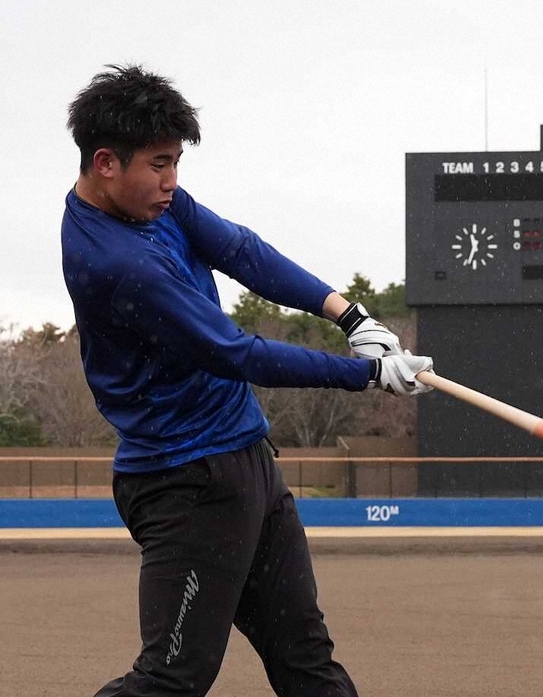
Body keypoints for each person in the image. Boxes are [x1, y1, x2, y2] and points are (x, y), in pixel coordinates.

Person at [62, 63, 434, 697]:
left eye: (176, 162)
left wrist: (350, 315)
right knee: (172, 679)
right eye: (158, 164)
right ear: (105, 163)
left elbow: (241, 251)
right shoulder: (119, 263)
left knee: (305, 657)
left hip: (244, 462)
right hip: (185, 481)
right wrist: (367, 373)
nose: (171, 182)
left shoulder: (159, 205)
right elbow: (236, 353)